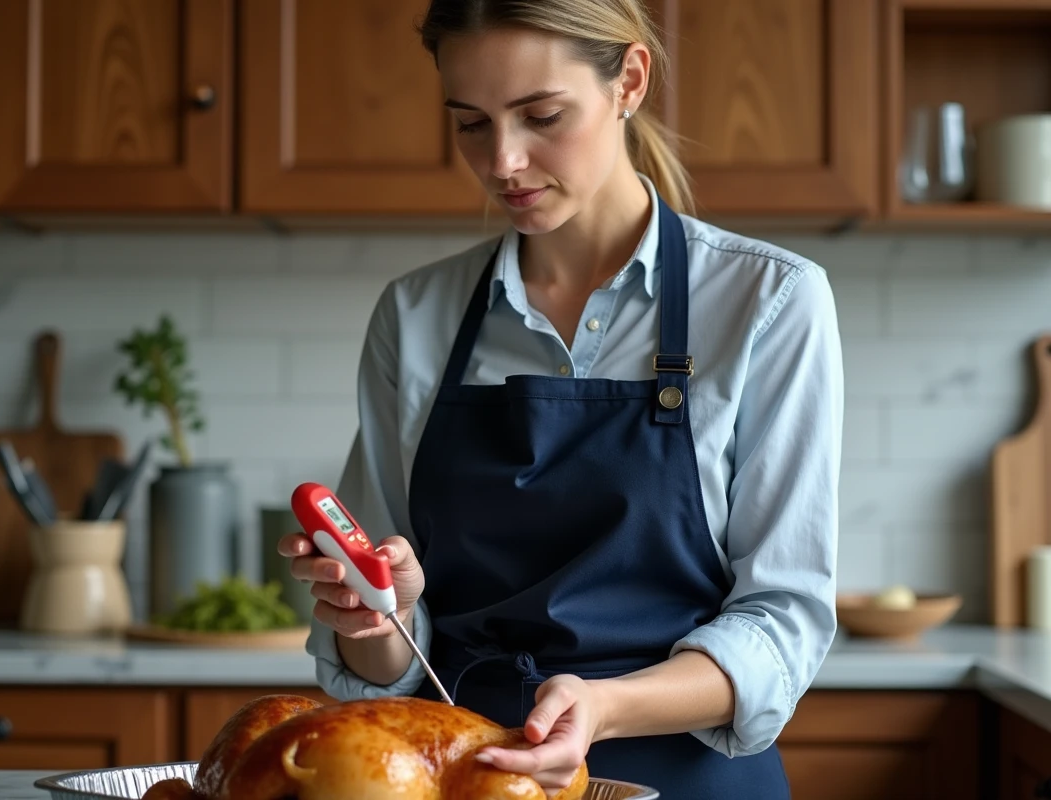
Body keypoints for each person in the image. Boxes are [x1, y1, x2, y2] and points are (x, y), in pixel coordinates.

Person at [277, 1, 843, 797]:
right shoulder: (415, 317)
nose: (503, 161)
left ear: (630, 81)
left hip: (687, 778)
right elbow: (389, 666)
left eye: (541, 116)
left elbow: (783, 620)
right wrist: (379, 619)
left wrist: (602, 707)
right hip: (466, 776)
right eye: (471, 124)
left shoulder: (768, 301)